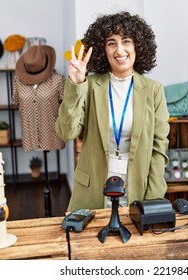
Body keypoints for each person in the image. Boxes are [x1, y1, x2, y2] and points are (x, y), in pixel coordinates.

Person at [55, 11, 170, 211]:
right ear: (103, 49)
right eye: (111, 43)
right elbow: (66, 133)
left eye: (126, 41)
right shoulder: (88, 85)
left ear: (137, 46)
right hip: (92, 190)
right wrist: (75, 84)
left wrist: (153, 198)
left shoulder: (154, 90)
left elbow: (159, 149)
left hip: (138, 190)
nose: (119, 50)